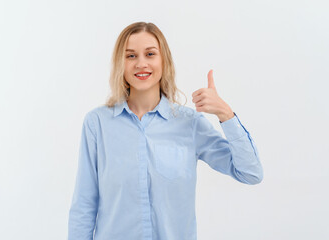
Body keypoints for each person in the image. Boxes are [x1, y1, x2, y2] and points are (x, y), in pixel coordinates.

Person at [67, 22, 263, 240]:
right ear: (120, 64)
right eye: (131, 56)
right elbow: (84, 205)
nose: (141, 63)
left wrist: (226, 114)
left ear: (164, 61)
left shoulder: (189, 123)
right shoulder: (97, 124)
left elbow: (250, 173)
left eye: (150, 54)